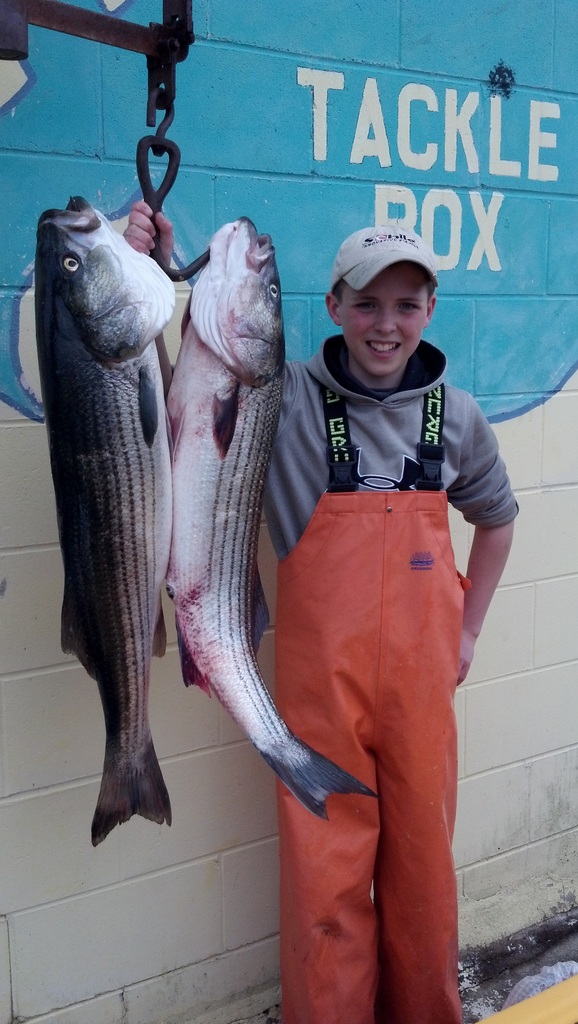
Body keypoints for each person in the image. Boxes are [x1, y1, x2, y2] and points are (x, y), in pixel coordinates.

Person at [125, 204, 517, 1024]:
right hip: (318, 707)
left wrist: (470, 629)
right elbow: (192, 395)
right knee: (323, 885)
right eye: (367, 303)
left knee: (423, 876)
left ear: (431, 310)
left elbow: (498, 518)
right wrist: (163, 272)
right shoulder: (285, 395)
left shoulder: (458, 416)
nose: (386, 325)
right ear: (333, 305)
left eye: (406, 305)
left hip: (421, 700)